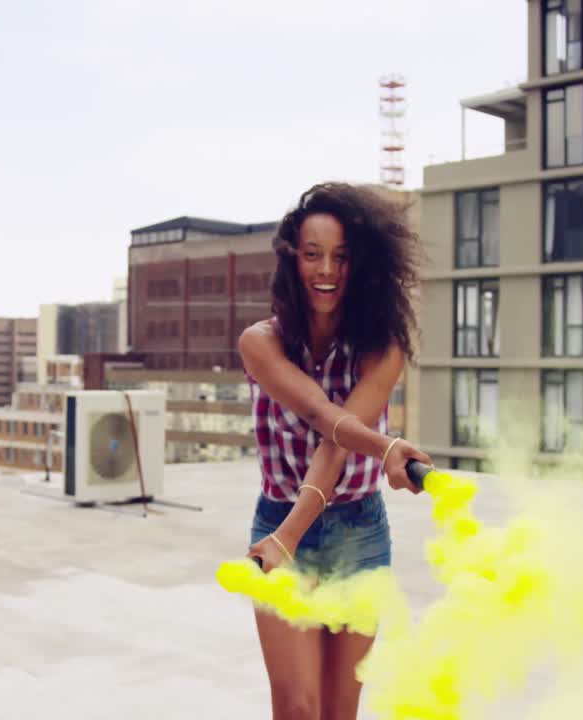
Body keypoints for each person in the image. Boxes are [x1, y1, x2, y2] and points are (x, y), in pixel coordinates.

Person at [239, 182, 433, 720]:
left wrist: (379, 447)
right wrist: (387, 447)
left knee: (337, 712)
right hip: (278, 523)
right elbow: (324, 415)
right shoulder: (261, 342)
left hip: (360, 535)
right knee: (298, 708)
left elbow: (335, 446)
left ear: (362, 266)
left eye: (342, 257)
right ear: (290, 260)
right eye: (313, 255)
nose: (326, 270)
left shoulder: (384, 346)